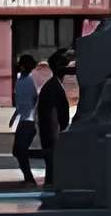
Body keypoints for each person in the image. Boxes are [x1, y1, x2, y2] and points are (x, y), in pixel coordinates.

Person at [34, 50, 74, 187]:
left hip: (53, 134)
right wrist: (56, 137)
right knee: (52, 167)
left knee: (53, 168)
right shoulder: (52, 87)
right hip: (52, 135)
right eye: (65, 66)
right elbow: (51, 114)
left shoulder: (55, 85)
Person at [10, 61, 38, 185]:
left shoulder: (28, 81)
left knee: (20, 150)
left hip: (29, 120)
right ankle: (28, 177)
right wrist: (14, 116)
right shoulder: (20, 81)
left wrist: (34, 113)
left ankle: (29, 178)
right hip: (23, 120)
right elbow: (20, 102)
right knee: (18, 150)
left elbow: (34, 98)